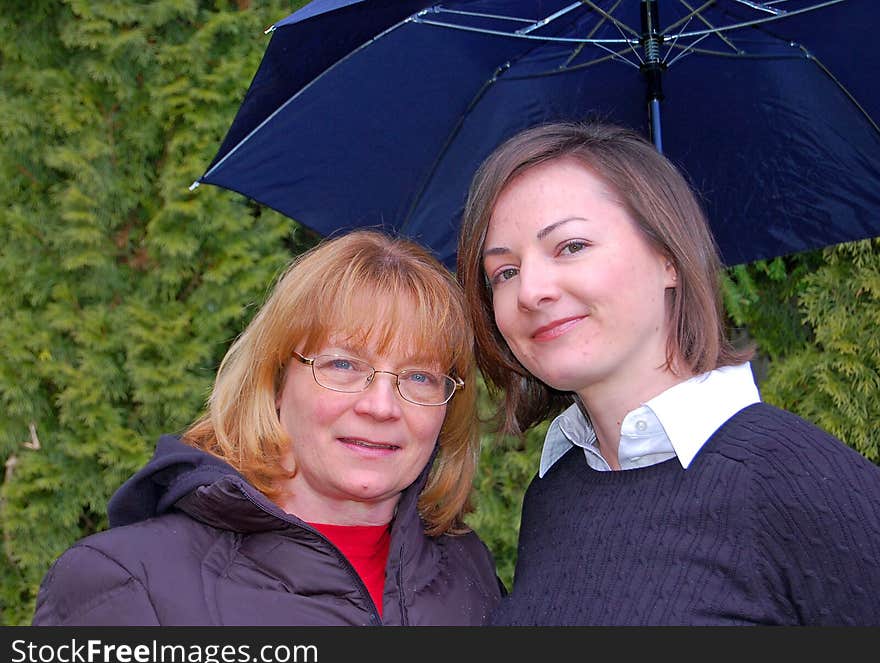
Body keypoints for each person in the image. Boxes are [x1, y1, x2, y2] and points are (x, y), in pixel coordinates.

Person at [456, 120, 880, 626]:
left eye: (571, 246)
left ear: (668, 259)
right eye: (504, 272)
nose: (530, 291)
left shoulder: (801, 481)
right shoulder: (554, 495)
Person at [33, 230, 502, 626]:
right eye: (342, 364)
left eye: (419, 376)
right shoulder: (128, 584)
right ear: (276, 381)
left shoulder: (468, 571)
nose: (381, 406)